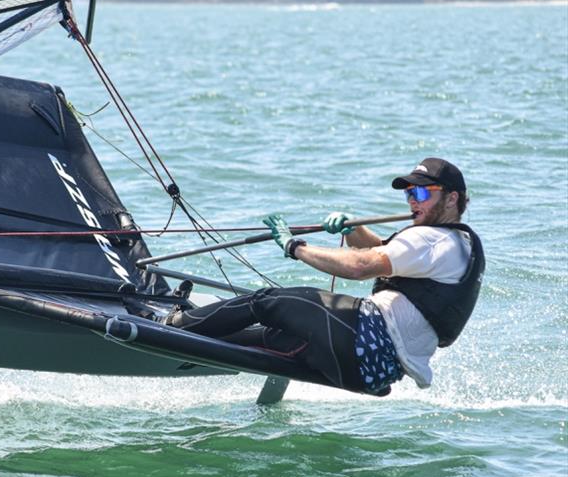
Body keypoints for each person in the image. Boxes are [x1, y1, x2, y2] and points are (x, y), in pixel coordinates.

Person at [167, 158, 484, 396]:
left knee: (267, 302)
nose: (413, 200)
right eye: (408, 194)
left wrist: (295, 247)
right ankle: (189, 344)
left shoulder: (431, 240)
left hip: (363, 340)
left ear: (453, 199)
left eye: (421, 192)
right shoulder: (456, 244)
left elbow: (360, 266)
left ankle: (175, 327)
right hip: (374, 370)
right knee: (269, 338)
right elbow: (382, 251)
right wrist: (354, 229)